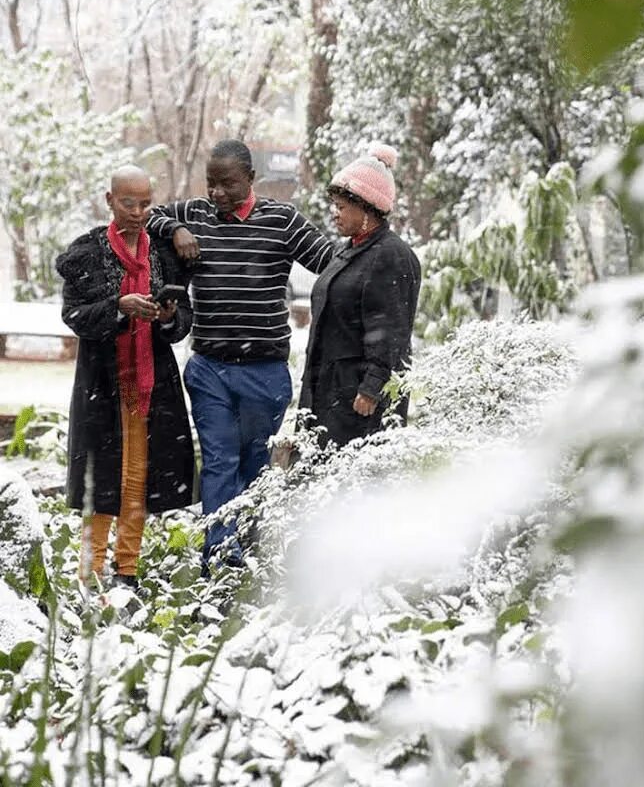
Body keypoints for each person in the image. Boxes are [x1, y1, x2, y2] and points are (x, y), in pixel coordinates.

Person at [147, 139, 335, 567]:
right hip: (209, 366)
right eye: (211, 183)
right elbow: (150, 215)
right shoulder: (193, 214)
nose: (217, 193)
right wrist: (175, 231)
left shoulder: (281, 221)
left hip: (264, 370)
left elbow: (331, 261)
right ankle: (219, 556)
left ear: (251, 179)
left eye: (227, 184)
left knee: (253, 465)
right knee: (218, 460)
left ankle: (246, 548)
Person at [56, 165, 195, 592]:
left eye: (145, 203)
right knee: (102, 476)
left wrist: (168, 316)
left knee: (140, 474)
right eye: (128, 202)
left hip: (151, 381)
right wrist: (119, 306)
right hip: (103, 382)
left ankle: (127, 570)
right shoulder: (87, 254)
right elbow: (74, 315)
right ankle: (92, 569)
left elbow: (183, 319)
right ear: (109, 200)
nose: (138, 212)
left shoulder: (164, 254)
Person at [298, 143, 421, 447]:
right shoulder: (349, 249)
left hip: (358, 401)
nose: (334, 214)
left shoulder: (392, 256)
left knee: (354, 485)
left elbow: (392, 330)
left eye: (341, 207)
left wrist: (371, 389)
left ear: (366, 207)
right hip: (330, 390)